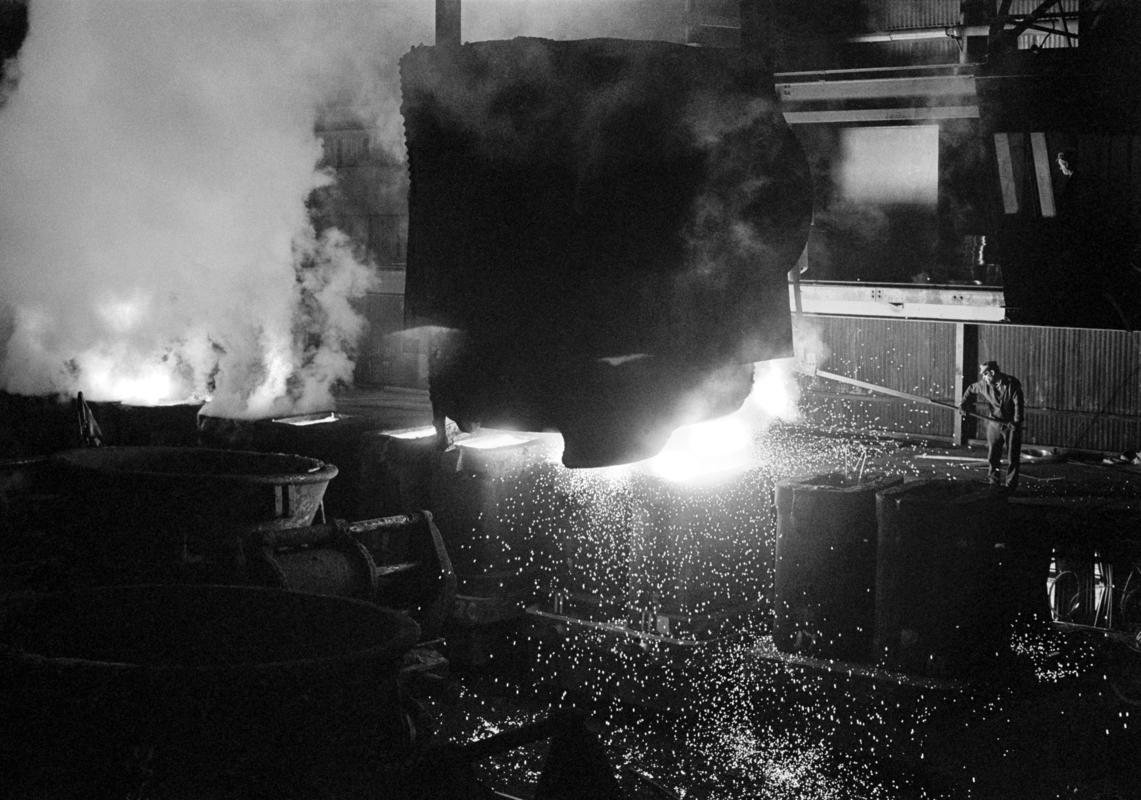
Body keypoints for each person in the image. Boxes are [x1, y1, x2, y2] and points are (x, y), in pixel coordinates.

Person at [959, 361, 1025, 490]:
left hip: (1011, 425)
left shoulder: (1012, 384)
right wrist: (963, 405)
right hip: (994, 423)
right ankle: (993, 483)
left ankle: (1011, 486)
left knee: (1013, 456)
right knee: (993, 455)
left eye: (985, 374)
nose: (983, 378)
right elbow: (971, 389)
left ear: (992, 373)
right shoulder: (984, 385)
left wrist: (1016, 422)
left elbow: (1019, 404)